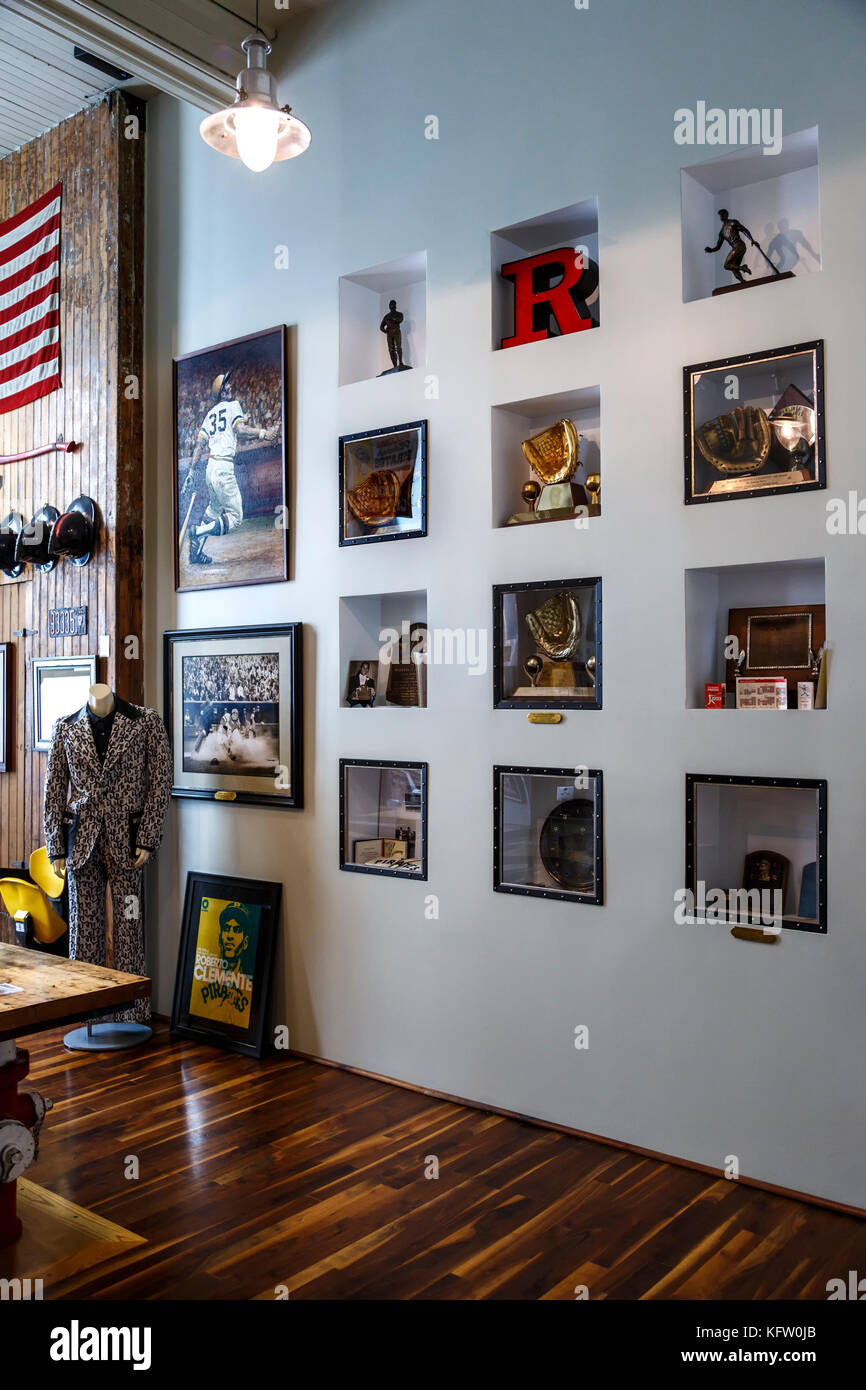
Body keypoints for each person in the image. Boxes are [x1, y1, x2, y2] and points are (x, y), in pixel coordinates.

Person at [181, 369, 279, 566]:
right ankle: (198, 531)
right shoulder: (233, 405)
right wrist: (264, 434)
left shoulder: (209, 414)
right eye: (226, 384)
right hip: (224, 467)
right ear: (222, 392)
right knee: (235, 517)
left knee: (213, 510)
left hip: (210, 467)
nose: (230, 386)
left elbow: (200, 445)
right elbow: (240, 430)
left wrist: (191, 472)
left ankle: (195, 553)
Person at [705, 208, 756, 285]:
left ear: (726, 215)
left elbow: (744, 230)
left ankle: (743, 268)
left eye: (723, 215)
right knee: (733, 267)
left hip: (738, 246)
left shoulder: (733, 223)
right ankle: (743, 282)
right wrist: (711, 250)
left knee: (726, 265)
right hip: (739, 248)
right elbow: (718, 247)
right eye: (720, 215)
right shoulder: (722, 232)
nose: (722, 217)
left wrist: (752, 240)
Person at [379, 299, 405, 370]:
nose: (391, 306)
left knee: (398, 347)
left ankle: (400, 362)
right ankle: (395, 365)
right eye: (390, 305)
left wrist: (393, 318)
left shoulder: (399, 314)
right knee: (391, 350)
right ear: (389, 307)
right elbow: (381, 326)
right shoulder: (386, 316)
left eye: (393, 305)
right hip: (389, 333)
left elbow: (400, 319)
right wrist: (385, 331)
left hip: (396, 331)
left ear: (395, 305)